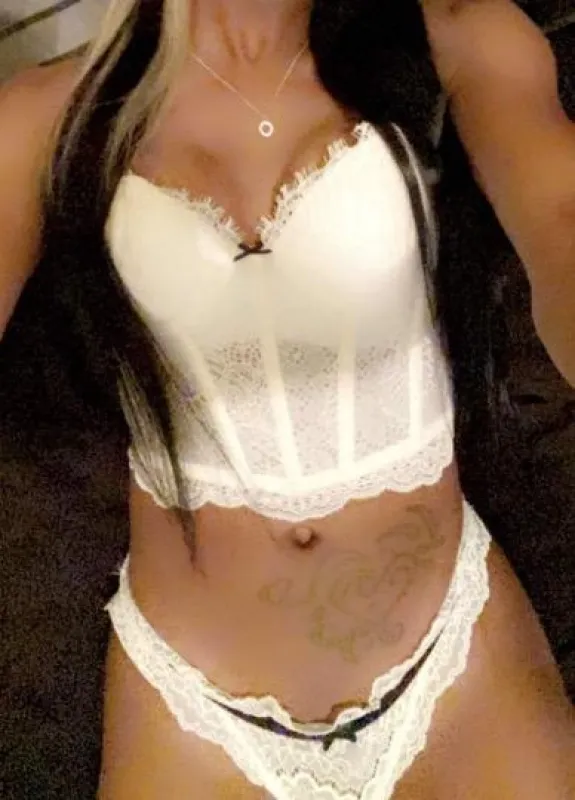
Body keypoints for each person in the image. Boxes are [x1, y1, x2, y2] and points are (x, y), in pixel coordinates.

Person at [0, 1, 573, 797]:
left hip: (460, 665)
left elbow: (560, 220)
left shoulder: (455, 34)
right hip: (191, 712)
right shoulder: (45, 114)